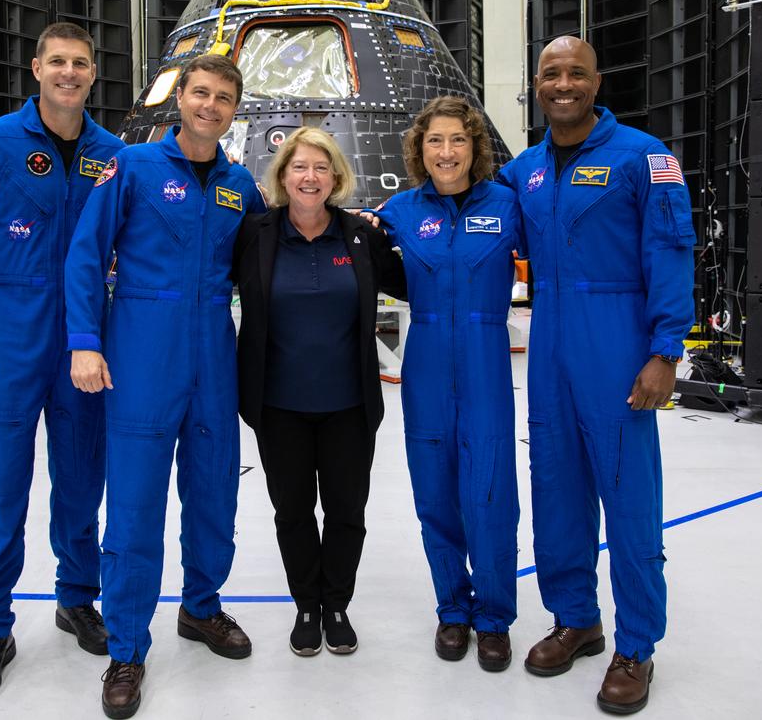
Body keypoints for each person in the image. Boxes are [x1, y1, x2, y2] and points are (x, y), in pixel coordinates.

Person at [65, 54, 266, 720]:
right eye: (200, 92)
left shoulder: (241, 187)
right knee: (134, 505)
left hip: (214, 351)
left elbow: (270, 269)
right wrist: (86, 341)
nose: (210, 105)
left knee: (214, 492)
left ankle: (201, 608)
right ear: (180, 97)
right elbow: (87, 253)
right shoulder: (136, 166)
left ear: (236, 108)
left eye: (224, 97)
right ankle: (126, 645)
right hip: (141, 351)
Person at [497, 35, 694, 715]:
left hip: (619, 334)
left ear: (596, 81)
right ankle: (576, 618)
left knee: (628, 496)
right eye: (550, 73)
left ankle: (636, 643)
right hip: (549, 335)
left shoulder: (645, 158)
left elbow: (671, 248)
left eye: (575, 72)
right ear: (537, 83)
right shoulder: (523, 171)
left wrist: (665, 349)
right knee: (555, 486)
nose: (563, 83)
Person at [0, 22, 125, 703]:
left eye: (80, 63)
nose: (68, 73)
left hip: (83, 346)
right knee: (2, 489)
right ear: (36, 67)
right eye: (57, 62)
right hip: (11, 343)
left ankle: (77, 597)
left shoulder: (113, 154)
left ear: (93, 73)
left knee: (80, 482)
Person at [232, 127, 407, 658]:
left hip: (349, 407)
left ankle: (337, 604)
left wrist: (398, 221)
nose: (310, 177)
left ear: (336, 177)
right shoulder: (255, 235)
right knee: (292, 512)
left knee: (347, 511)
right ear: (282, 176)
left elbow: (411, 278)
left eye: (321, 167)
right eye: (299, 167)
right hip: (279, 406)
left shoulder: (361, 236)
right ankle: (307, 604)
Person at [371, 96, 522, 673]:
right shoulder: (401, 213)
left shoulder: (508, 206)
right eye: (435, 140)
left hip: (485, 359)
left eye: (457, 139)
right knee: (433, 492)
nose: (446, 151)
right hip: (426, 361)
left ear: (474, 146)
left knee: (488, 492)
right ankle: (452, 609)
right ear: (420, 149)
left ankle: (494, 617)